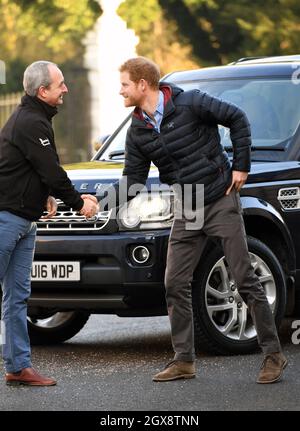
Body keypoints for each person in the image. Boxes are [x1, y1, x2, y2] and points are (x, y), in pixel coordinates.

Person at [103, 56, 287, 384]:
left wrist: (240, 165)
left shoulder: (191, 103)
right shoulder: (138, 130)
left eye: (124, 85)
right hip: (187, 207)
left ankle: (273, 355)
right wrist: (99, 204)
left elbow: (237, 118)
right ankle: (183, 360)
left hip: (219, 198)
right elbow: (133, 180)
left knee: (244, 277)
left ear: (142, 84)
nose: (120, 91)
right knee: (174, 282)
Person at [0, 61, 98, 386]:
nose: (66, 89)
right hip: (6, 220)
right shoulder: (30, 122)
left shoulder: (36, 119)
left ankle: (17, 366)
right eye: (60, 84)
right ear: (43, 91)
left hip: (25, 221)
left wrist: (45, 196)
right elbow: (53, 171)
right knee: (13, 297)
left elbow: (33, 168)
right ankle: (18, 365)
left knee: (17, 298)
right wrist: (78, 202)